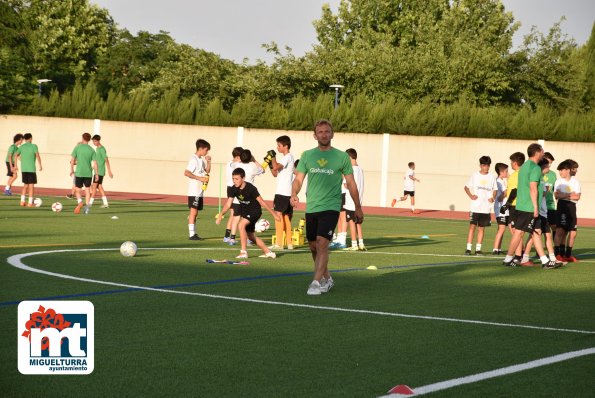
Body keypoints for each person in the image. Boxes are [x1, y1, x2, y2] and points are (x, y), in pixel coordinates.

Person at [291, 119, 364, 296]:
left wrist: (357, 207)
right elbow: (299, 179)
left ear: (332, 134)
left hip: (331, 206)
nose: (324, 134)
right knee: (314, 246)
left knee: (323, 242)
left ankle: (316, 282)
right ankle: (327, 278)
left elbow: (351, 183)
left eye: (327, 131)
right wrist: (294, 193)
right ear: (315, 135)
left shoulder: (342, 157)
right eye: (320, 132)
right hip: (312, 206)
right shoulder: (307, 155)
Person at [502, 143, 561, 268]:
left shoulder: (524, 167)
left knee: (536, 232)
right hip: (529, 207)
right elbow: (533, 188)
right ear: (537, 152)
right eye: (542, 151)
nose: (543, 153)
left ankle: (545, 261)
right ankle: (508, 259)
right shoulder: (535, 168)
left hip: (523, 205)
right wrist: (535, 207)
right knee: (519, 233)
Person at [216, 167, 279, 259]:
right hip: (245, 212)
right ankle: (268, 252)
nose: (234, 181)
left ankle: (243, 252)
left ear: (243, 178)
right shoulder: (233, 189)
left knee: (241, 225)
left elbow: (262, 202)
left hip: (255, 211)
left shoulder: (251, 188)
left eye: (237, 179)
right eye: (233, 179)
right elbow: (228, 204)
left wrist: (274, 214)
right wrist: (221, 214)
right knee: (251, 237)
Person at [227, 149, 264, 245]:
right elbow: (262, 170)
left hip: (237, 194)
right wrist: (254, 160)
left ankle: (232, 237)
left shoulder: (237, 165)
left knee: (236, 217)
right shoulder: (252, 166)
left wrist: (238, 160)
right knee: (248, 219)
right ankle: (248, 239)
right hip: (248, 196)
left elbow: (231, 164)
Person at [463, 156, 497, 255]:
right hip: (475, 206)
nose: (486, 167)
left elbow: (495, 189)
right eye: (484, 165)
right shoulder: (475, 175)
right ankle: (468, 248)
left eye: (488, 165)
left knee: (482, 228)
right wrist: (471, 196)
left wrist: (493, 197)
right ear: (480, 165)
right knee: (472, 227)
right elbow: (466, 187)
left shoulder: (492, 177)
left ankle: (478, 249)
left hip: (486, 207)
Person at [269, 135, 295, 250]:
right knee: (285, 217)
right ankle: (289, 243)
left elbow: (275, 167)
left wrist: (272, 157)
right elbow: (275, 173)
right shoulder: (287, 159)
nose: (277, 148)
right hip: (285, 192)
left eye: (279, 146)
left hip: (282, 192)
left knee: (278, 216)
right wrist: (270, 162)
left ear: (285, 146)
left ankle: (279, 243)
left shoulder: (287, 157)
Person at [554, 159, 581, 262]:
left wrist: (563, 195)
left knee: (573, 232)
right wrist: (570, 194)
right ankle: (558, 254)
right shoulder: (558, 181)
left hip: (572, 207)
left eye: (562, 170)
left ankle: (567, 254)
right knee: (560, 231)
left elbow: (577, 197)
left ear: (568, 170)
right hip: (562, 206)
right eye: (559, 170)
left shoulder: (575, 182)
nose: (560, 172)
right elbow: (556, 195)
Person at [184, 139, 211, 240]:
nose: (207, 152)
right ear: (201, 148)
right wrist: (200, 178)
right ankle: (191, 234)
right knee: (193, 212)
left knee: (196, 213)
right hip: (194, 191)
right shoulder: (193, 159)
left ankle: (194, 233)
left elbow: (207, 171)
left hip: (199, 191)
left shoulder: (201, 160)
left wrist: (208, 162)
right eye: (206, 150)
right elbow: (186, 172)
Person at [342, 148, 366, 251]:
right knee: (358, 223)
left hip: (351, 201)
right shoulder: (360, 169)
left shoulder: (350, 170)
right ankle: (361, 243)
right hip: (358, 201)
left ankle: (354, 244)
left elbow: (347, 185)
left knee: (351, 222)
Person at [70, 133, 98, 214]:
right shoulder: (91, 150)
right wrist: (96, 174)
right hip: (88, 173)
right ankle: (87, 209)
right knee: (87, 191)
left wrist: (71, 170)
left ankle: (80, 202)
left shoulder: (77, 148)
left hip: (79, 173)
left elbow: (72, 160)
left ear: (82, 138)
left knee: (77, 190)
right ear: (89, 140)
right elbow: (95, 163)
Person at [14, 133, 42, 207]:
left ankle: (22, 201)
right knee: (31, 186)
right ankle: (30, 203)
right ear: (30, 138)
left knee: (25, 185)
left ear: (25, 139)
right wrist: (40, 165)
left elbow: (15, 155)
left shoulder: (22, 147)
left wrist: (16, 165)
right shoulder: (34, 146)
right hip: (31, 169)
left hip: (24, 169)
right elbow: (37, 155)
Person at [223, 146, 243, 243]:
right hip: (234, 189)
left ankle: (227, 236)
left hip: (229, 188)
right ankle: (230, 237)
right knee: (235, 214)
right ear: (238, 156)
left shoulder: (229, 163)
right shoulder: (235, 164)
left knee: (232, 213)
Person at [89, 134, 114, 208]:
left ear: (99, 141)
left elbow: (106, 160)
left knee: (94, 187)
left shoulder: (102, 149)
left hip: (100, 172)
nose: (94, 143)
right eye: (93, 141)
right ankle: (106, 203)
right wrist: (92, 168)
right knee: (99, 187)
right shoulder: (97, 149)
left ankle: (90, 203)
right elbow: (97, 161)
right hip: (97, 171)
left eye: (95, 141)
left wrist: (109, 171)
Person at [492, 162, 509, 255]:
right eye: (506, 171)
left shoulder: (503, 180)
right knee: (501, 228)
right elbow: (504, 193)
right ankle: (495, 248)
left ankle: (498, 248)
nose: (507, 173)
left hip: (505, 208)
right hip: (500, 208)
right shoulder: (498, 181)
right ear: (501, 172)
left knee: (502, 228)